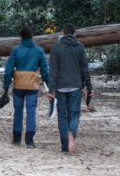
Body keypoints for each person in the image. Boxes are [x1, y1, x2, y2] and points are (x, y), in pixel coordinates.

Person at [1, 25, 49, 148]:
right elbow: (45, 69)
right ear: (32, 37)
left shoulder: (16, 50)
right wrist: (46, 84)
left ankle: (17, 138)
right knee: (31, 110)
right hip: (32, 85)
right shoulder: (39, 51)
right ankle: (30, 140)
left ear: (21, 37)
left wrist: (6, 86)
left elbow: (9, 70)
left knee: (18, 110)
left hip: (19, 84)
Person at [48, 23, 92, 153]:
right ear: (75, 34)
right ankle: (71, 134)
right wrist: (88, 86)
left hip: (60, 87)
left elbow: (53, 71)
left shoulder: (55, 48)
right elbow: (85, 69)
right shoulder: (80, 47)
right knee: (74, 114)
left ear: (62, 33)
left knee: (62, 116)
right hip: (75, 86)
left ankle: (64, 146)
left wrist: (51, 90)